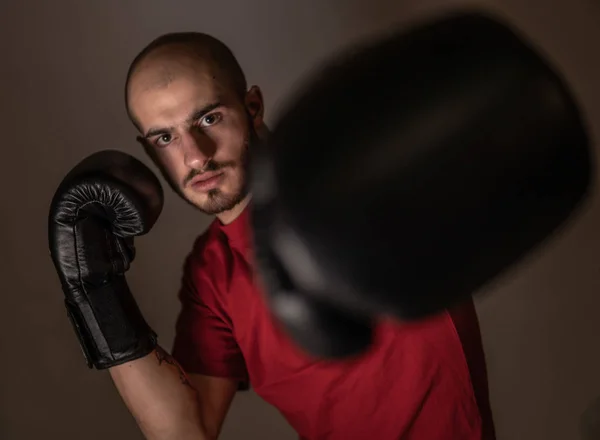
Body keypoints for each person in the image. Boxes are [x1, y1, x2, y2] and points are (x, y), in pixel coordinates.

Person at [110, 31, 496, 440]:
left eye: (209, 118)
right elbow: (184, 435)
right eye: (166, 138)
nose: (195, 155)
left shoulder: (354, 175)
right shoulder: (211, 274)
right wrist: (95, 290)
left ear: (252, 107)